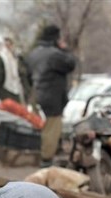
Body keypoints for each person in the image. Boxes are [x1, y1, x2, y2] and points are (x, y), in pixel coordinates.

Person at [26, 24, 77, 167]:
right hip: (52, 96)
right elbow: (70, 64)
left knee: (43, 127)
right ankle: (46, 160)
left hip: (37, 94)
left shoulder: (34, 53)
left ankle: (48, 155)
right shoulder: (55, 54)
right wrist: (65, 49)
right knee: (52, 128)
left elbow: (27, 74)